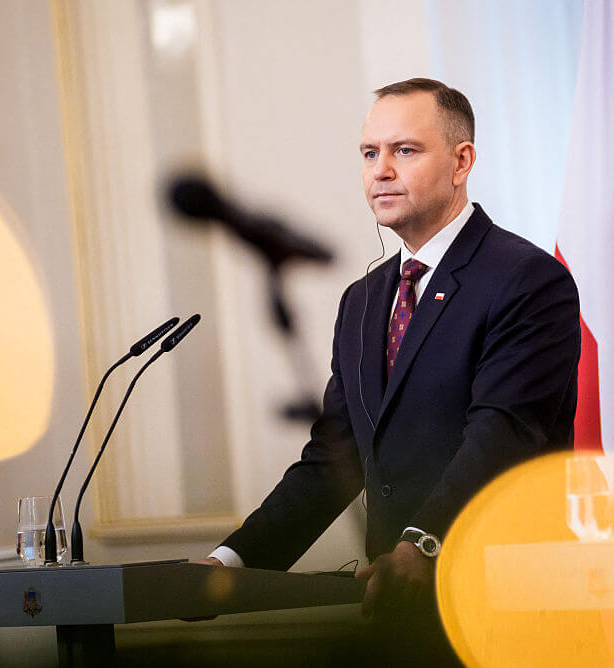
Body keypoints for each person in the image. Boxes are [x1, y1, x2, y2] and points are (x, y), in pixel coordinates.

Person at [197, 78, 581, 659]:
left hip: (502, 607)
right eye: (369, 153)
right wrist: (232, 562)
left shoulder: (525, 280)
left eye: (405, 150)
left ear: (462, 161)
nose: (380, 170)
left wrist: (423, 545)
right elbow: (333, 460)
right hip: (393, 614)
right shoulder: (363, 300)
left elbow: (502, 434)